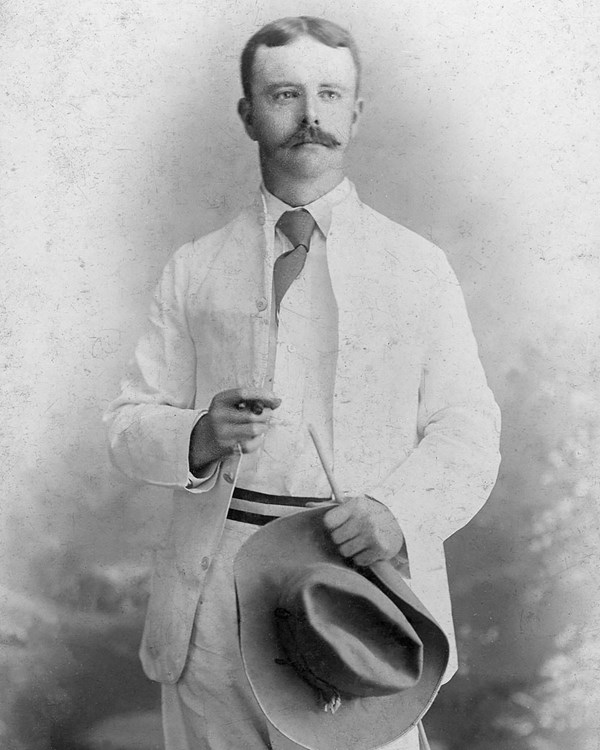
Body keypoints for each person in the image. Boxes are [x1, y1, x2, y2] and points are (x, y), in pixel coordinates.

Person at [104, 15, 501, 750]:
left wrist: (398, 511)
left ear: (357, 111)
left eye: (329, 94)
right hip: (210, 604)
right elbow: (128, 424)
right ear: (248, 113)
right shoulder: (196, 266)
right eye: (285, 93)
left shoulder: (417, 268)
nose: (310, 116)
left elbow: (469, 430)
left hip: (356, 592)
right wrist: (194, 434)